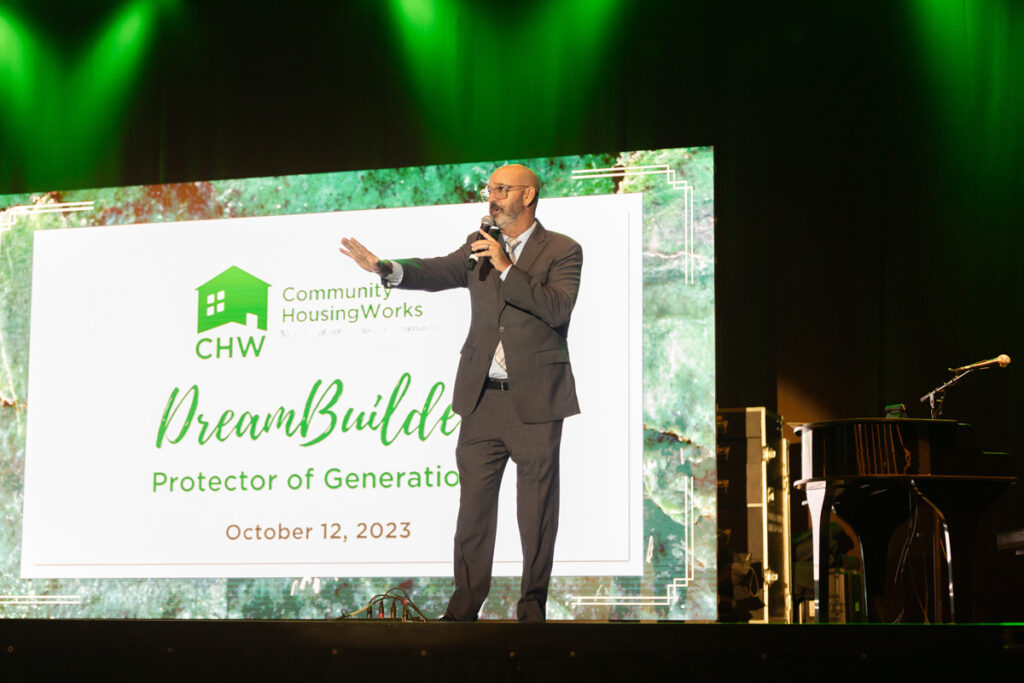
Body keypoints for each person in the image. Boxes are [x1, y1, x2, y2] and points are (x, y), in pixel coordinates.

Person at [338, 164, 582, 622]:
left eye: (501, 189)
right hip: (481, 399)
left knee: (536, 511)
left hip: (536, 401)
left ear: (527, 196)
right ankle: (465, 605)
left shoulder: (563, 250)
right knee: (473, 509)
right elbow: (437, 271)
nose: (491, 197)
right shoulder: (477, 245)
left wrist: (508, 267)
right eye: (489, 189)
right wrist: (385, 268)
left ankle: (532, 608)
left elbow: (556, 308)